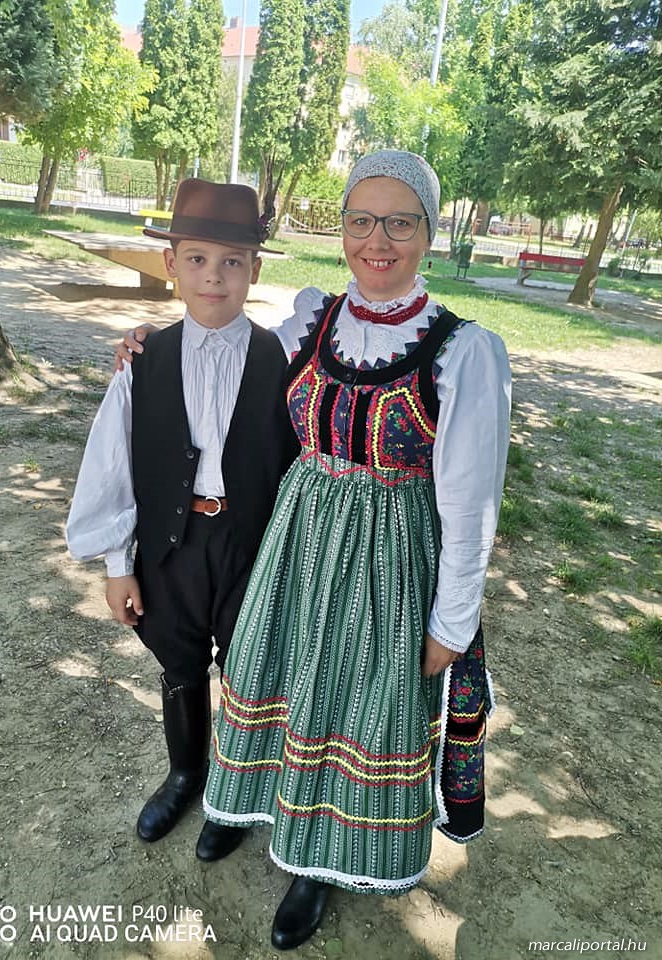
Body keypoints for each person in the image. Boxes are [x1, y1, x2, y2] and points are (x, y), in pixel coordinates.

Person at [116, 151, 511, 950]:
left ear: (428, 233)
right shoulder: (311, 320)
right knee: (276, 677)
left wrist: (452, 621)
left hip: (389, 555)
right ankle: (240, 804)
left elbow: (471, 507)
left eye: (399, 222)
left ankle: (320, 860)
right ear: (343, 229)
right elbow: (225, 351)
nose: (377, 240)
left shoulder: (464, 351)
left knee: (351, 700)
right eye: (361, 220)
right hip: (297, 541)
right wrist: (152, 345)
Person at [66, 178, 299, 851]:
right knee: (179, 660)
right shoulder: (145, 361)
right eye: (196, 259)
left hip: (251, 544)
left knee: (250, 668)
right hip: (173, 543)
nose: (213, 277)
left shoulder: (283, 359)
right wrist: (118, 564)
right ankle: (185, 773)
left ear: (255, 270)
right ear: (171, 263)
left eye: (232, 262)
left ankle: (235, 793)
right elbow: (114, 465)